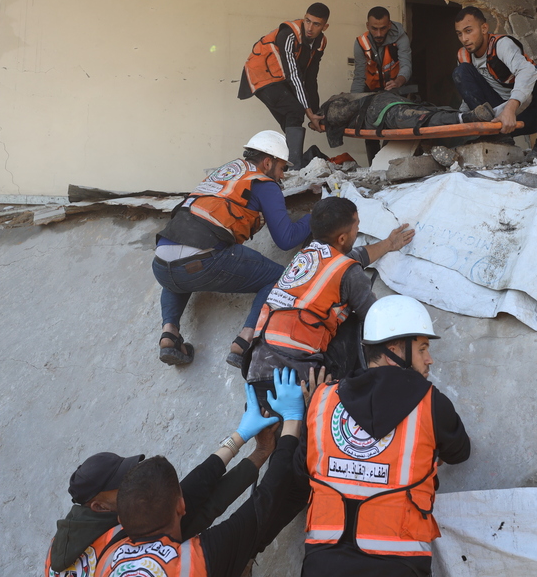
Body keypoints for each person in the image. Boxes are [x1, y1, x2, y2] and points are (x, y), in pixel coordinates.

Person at [300, 296, 471, 577]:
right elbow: (460, 452)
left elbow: (301, 468)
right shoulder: (432, 404)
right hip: (399, 564)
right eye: (422, 349)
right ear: (394, 352)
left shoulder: (322, 399)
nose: (429, 359)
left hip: (323, 562)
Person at [94, 371, 313, 577]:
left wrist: (241, 437)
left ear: (121, 520)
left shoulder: (108, 552)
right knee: (295, 491)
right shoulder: (197, 562)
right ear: (181, 506)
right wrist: (293, 419)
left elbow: (198, 488)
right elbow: (267, 498)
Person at [153, 130, 310, 369]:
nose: (282, 176)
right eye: (282, 168)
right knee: (280, 278)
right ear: (268, 163)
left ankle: (169, 334)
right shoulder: (264, 184)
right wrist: (314, 217)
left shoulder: (225, 172)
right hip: (204, 261)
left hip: (161, 264)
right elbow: (286, 239)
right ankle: (245, 341)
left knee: (177, 269)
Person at [44, 429, 275, 577]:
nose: (133, 482)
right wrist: (261, 451)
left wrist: (241, 437)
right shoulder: (122, 540)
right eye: (122, 484)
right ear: (99, 506)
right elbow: (202, 507)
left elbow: (189, 493)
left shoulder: (62, 542)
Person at [245, 196, 414, 394]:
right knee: (355, 325)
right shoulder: (349, 273)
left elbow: (355, 256)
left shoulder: (306, 256)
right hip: (297, 380)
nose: (358, 230)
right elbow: (374, 318)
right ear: (342, 238)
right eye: (356, 226)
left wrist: (388, 244)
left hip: (256, 371)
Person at [452, 6, 537, 162]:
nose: (464, 39)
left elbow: (527, 71)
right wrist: (460, 121)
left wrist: (510, 109)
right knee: (460, 72)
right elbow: (468, 93)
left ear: (484, 28)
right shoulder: (463, 55)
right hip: (497, 120)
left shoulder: (501, 45)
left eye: (468, 31)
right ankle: (496, 137)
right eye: (459, 34)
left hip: (526, 114)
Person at [238, 3, 331, 168]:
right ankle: (294, 167)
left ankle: (285, 166)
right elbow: (293, 74)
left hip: (280, 78)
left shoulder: (320, 42)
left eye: (316, 24)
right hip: (261, 76)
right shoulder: (289, 34)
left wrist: (316, 113)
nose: (310, 28)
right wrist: (309, 112)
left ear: (325, 27)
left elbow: (310, 78)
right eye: (308, 21)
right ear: (304, 18)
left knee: (293, 119)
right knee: (295, 111)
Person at [319, 91, 495, 149]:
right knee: (423, 115)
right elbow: (340, 115)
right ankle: (469, 117)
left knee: (421, 117)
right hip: (385, 106)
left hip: (383, 108)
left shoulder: (334, 106)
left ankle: (468, 116)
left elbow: (339, 116)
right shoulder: (335, 104)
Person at [351, 7, 413, 163]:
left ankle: (388, 165)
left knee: (392, 127)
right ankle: (374, 166)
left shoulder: (401, 37)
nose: (379, 33)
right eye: (374, 28)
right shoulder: (360, 43)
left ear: (389, 25)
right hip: (371, 90)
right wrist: (353, 102)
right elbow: (359, 77)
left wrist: (398, 81)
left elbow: (406, 65)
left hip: (394, 88)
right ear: (367, 26)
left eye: (383, 28)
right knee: (369, 129)